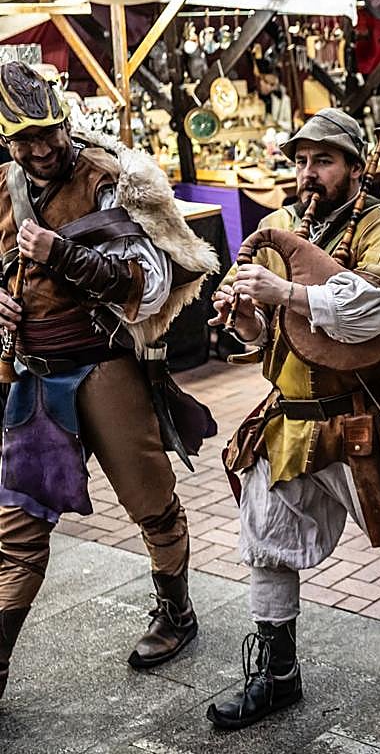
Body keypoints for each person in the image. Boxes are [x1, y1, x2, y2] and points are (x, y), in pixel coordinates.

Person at [206, 109, 380, 730]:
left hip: (362, 415)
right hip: (288, 416)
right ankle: (277, 675)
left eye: (323, 160)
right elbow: (263, 337)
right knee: (266, 540)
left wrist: (287, 293)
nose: (308, 172)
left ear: (356, 166)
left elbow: (370, 315)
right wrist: (243, 315)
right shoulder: (275, 227)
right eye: (301, 161)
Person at [0, 62, 218, 699]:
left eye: (49, 131)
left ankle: (177, 611)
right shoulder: (2, 187)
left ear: (64, 121)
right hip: (35, 379)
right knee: (17, 533)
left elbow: (148, 286)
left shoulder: (105, 180)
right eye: (24, 139)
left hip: (103, 367)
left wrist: (62, 254)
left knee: (152, 502)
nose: (42, 148)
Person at [255, 60, 293, 134]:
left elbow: (290, 126)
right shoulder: (252, 97)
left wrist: (276, 123)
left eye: (272, 84)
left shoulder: (284, 100)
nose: (268, 87)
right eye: (266, 82)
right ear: (260, 79)